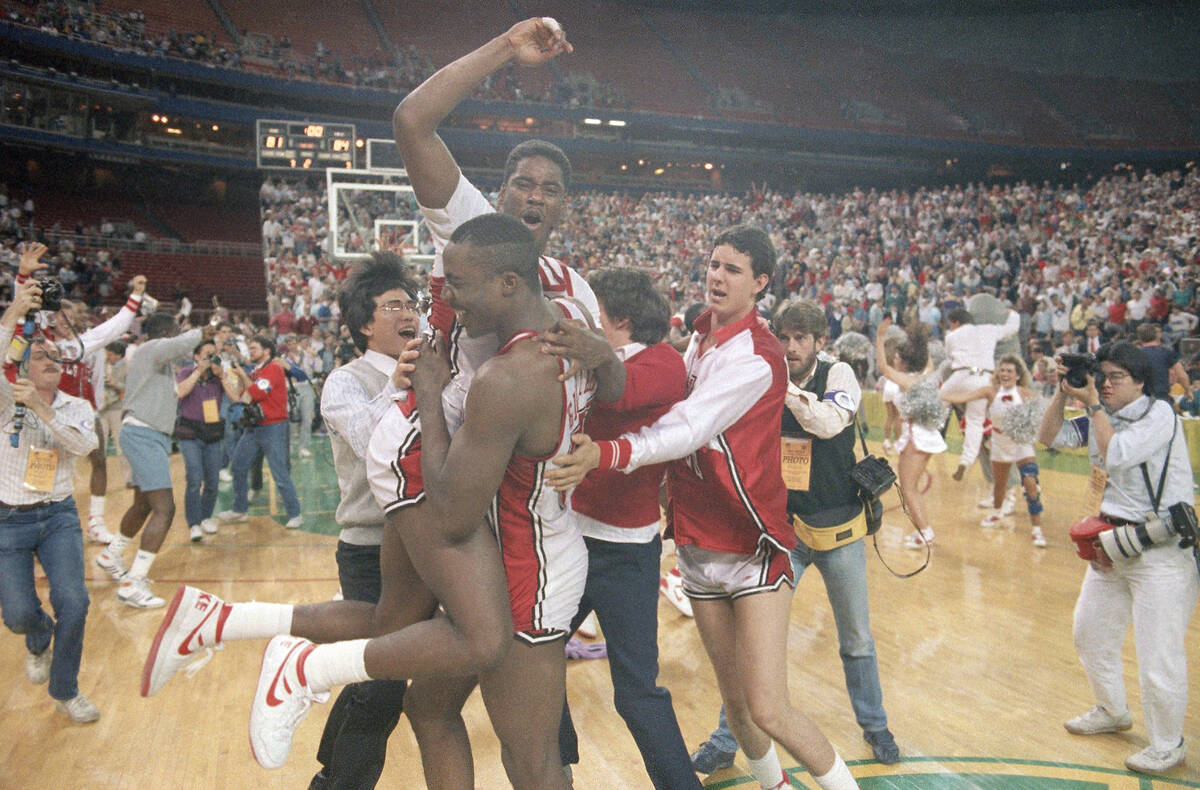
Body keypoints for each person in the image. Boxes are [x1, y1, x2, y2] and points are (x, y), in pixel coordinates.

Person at [545, 226, 859, 790]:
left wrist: (607, 452)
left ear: (761, 283)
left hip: (751, 543)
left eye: (733, 270)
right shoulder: (697, 339)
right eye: (714, 264)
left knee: (768, 708)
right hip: (695, 543)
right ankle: (776, 786)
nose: (717, 276)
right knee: (736, 707)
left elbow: (688, 429)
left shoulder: (759, 356)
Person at [393, 16, 599, 432]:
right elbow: (412, 123)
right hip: (437, 444)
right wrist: (507, 46)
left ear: (562, 208)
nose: (536, 196)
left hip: (518, 468)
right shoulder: (473, 227)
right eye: (524, 185)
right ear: (500, 195)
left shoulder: (577, 288)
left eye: (550, 190)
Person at [550, 268, 699, 789]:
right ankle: (557, 766)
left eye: (595, 312)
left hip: (625, 553)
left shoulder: (663, 361)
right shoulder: (592, 357)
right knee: (534, 660)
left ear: (619, 319)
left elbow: (620, 392)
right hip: (567, 536)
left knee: (636, 691)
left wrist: (587, 352)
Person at [1038, 342, 1198, 775]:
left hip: (1162, 552)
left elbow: (1118, 454)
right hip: (1111, 545)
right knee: (1088, 634)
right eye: (1100, 376)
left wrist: (1092, 406)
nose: (1105, 385)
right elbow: (1047, 436)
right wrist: (1062, 391)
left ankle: (1168, 744)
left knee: (1158, 655)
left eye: (1116, 378)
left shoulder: (1159, 414)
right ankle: (1112, 710)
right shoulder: (1101, 413)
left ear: (1141, 381)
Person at [308, 253, 421, 789]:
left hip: (427, 546)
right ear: (364, 324)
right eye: (393, 304)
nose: (409, 313)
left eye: (411, 303)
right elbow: (368, 440)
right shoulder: (345, 382)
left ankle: (331, 770)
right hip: (370, 547)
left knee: (380, 675)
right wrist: (397, 388)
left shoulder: (435, 370)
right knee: (382, 679)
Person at [0, 279, 100, 722]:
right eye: (40, 354)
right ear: (22, 364)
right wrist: (21, 295)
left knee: (74, 602)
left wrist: (43, 411)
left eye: (56, 356)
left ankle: (67, 689)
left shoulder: (75, 406)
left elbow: (83, 447)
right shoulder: (5, 399)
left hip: (58, 515)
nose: (51, 360)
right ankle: (38, 636)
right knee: (19, 614)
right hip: (8, 519)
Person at [14, 241, 147, 543]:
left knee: (99, 457)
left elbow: (114, 327)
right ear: (49, 317)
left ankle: (96, 522)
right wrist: (22, 279)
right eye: (59, 314)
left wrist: (136, 294)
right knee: (43, 471)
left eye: (69, 316)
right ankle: (34, 528)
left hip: (81, 412)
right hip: (46, 412)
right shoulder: (38, 342)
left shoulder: (81, 343)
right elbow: (19, 310)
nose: (64, 319)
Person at [96, 313, 210, 608]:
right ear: (166, 333)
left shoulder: (158, 366)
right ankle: (134, 583)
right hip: (144, 434)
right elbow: (182, 342)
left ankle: (112, 553)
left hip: (146, 435)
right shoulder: (151, 349)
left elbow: (177, 392)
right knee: (165, 508)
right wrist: (204, 330)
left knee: (144, 503)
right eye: (176, 330)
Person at [942, 354, 1046, 547]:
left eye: (1009, 371)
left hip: (1021, 442)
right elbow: (964, 397)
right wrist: (943, 396)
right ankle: (997, 512)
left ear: (1017, 375)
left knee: (1030, 481)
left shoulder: (1025, 393)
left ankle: (1036, 529)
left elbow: (1042, 410)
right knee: (1000, 484)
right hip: (999, 442)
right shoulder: (990, 391)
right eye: (1003, 370)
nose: (1005, 374)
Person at [216, 335, 303, 530]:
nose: (251, 351)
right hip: (254, 427)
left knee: (279, 472)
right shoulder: (256, 371)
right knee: (238, 466)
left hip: (273, 427)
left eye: (254, 348)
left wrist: (235, 378)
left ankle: (295, 513)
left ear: (266, 351)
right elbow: (244, 393)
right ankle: (239, 510)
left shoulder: (273, 369)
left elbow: (251, 395)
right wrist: (231, 377)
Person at [874, 316, 944, 549]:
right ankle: (925, 531)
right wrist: (922, 346)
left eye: (897, 357)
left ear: (903, 361)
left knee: (908, 489)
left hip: (916, 437)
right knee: (912, 488)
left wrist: (881, 336)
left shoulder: (908, 381)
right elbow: (929, 363)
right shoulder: (926, 376)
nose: (895, 359)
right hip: (924, 435)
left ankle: (925, 533)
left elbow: (882, 367)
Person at [939, 306, 1019, 482]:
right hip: (984, 378)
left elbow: (949, 357)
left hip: (961, 374)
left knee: (938, 400)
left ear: (956, 322)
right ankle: (966, 460)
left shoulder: (951, 336)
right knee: (975, 421)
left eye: (951, 324)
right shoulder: (989, 330)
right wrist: (1013, 313)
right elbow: (1011, 329)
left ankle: (930, 434)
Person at [175, 339, 241, 542]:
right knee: (194, 478)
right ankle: (193, 523)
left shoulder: (217, 378)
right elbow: (180, 392)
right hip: (190, 434)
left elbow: (236, 397)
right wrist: (198, 371)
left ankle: (205, 517)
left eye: (214, 354)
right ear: (196, 356)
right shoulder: (186, 373)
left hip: (212, 433)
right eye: (206, 354)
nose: (211, 358)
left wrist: (222, 376)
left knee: (212, 480)